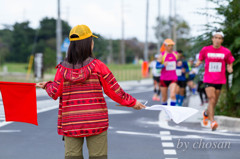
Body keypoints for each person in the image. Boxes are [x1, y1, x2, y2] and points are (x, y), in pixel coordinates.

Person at [36, 24, 146, 159]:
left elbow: (54, 92)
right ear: (88, 44)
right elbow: (114, 90)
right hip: (96, 121)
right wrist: (132, 102)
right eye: (91, 40)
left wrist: (47, 85)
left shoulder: (62, 69)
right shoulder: (98, 66)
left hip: (71, 123)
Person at [195, 30, 235, 131]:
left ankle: (206, 113)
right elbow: (200, 59)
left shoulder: (226, 51)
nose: (217, 40)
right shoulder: (206, 50)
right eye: (215, 37)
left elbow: (230, 61)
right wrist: (197, 63)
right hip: (208, 79)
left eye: (219, 38)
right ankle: (212, 122)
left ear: (222, 40)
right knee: (211, 99)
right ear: (212, 39)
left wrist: (230, 67)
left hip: (220, 79)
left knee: (214, 102)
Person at [156, 39, 178, 106]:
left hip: (173, 78)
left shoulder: (176, 54)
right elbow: (157, 66)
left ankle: (172, 113)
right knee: (164, 98)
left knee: (172, 95)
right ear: (165, 46)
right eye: (169, 45)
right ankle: (166, 112)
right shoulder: (161, 55)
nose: (171, 47)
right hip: (164, 79)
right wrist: (163, 65)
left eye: (172, 45)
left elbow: (178, 63)